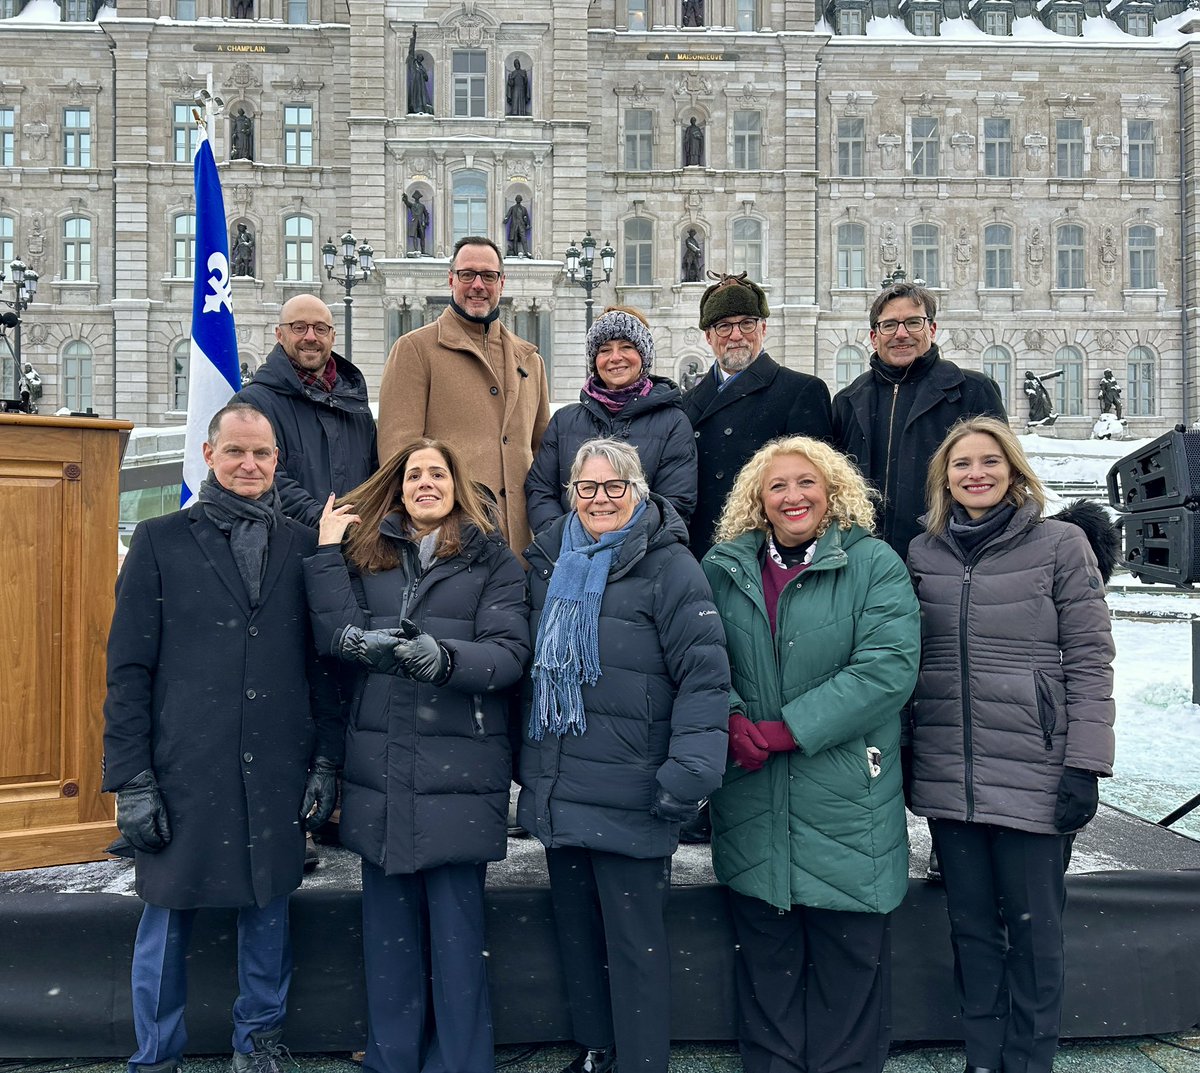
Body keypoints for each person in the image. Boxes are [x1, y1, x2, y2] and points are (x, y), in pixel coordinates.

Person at [102, 403, 342, 1073]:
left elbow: (324, 668)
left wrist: (327, 760)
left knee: (268, 911)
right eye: (235, 450)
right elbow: (128, 670)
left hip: (277, 768)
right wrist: (132, 778)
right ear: (209, 455)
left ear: (277, 461)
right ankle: (155, 1055)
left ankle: (258, 1044)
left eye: (261, 453)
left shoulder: (304, 546)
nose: (249, 464)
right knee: (167, 915)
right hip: (183, 770)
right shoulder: (158, 540)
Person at [303, 437, 530, 1073]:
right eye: (412, 475)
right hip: (379, 768)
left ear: (457, 486)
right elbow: (334, 633)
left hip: (460, 770)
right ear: (397, 489)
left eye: (437, 473)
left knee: (458, 940)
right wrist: (326, 552)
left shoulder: (493, 561)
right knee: (389, 941)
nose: (424, 483)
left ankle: (461, 1062)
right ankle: (392, 1058)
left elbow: (510, 654)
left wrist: (447, 660)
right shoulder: (366, 555)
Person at [702, 436, 920, 1073]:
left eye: (806, 483)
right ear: (758, 499)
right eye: (777, 485)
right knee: (766, 979)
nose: (792, 496)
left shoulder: (873, 563)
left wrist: (787, 731)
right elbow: (700, 658)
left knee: (847, 979)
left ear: (832, 492)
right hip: (753, 801)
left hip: (847, 800)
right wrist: (730, 715)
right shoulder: (723, 567)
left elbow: (887, 670)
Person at [906, 417, 1117, 1073]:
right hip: (952, 772)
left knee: (1034, 936)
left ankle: (1027, 1061)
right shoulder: (923, 553)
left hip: (1036, 769)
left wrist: (1085, 762)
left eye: (990, 461)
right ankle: (983, 1058)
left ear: (1014, 470)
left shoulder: (1061, 544)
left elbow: (1090, 658)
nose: (977, 474)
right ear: (945, 479)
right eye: (962, 464)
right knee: (971, 931)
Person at [517, 438, 729, 1073]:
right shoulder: (547, 560)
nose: (600, 500)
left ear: (639, 492)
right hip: (561, 782)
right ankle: (596, 1051)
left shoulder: (671, 567)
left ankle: (640, 1061)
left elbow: (705, 677)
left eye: (615, 487)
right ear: (571, 494)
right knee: (579, 937)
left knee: (636, 947)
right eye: (587, 488)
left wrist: (689, 772)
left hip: (635, 785)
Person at [379, 236, 551, 555]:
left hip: (521, 545)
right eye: (467, 274)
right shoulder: (415, 350)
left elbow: (541, 452)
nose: (478, 285)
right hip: (451, 544)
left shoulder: (531, 361)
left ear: (502, 282)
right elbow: (398, 455)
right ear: (451, 280)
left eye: (488, 276)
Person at [832, 281, 1006, 560]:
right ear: (874, 337)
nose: (901, 334)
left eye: (913, 322)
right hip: (866, 561)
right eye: (889, 325)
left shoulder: (972, 391)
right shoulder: (848, 401)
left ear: (932, 329)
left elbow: (1001, 477)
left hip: (949, 557)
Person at [683, 271, 833, 559]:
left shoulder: (801, 391)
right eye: (724, 326)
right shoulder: (688, 402)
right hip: (702, 552)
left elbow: (814, 487)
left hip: (767, 554)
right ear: (709, 337)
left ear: (763, 328)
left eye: (747, 323)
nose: (736, 335)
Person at [525, 306, 696, 536]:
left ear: (644, 356)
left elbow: (674, 503)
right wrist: (566, 539)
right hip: (569, 551)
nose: (615, 358)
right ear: (594, 360)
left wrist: (621, 547)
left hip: (642, 552)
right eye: (605, 350)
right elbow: (541, 490)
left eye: (626, 347)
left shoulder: (673, 422)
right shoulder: (563, 421)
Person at [234, 293, 378, 529]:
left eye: (320, 329)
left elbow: (375, 476)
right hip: (287, 543)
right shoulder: (252, 404)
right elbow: (262, 478)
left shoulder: (355, 406)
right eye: (299, 327)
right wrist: (327, 523)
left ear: (332, 337)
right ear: (280, 335)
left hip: (356, 542)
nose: (310, 337)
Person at [406, 25, 433, 115]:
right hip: (415, 84)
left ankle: (422, 108)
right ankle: (415, 108)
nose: (420, 59)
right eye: (419, 57)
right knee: (416, 96)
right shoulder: (413, 63)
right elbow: (411, 51)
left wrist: (423, 73)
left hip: (421, 85)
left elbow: (426, 78)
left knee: (422, 97)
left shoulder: (422, 67)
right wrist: (413, 38)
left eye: (421, 58)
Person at [402, 191, 430, 255]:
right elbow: (407, 203)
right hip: (414, 222)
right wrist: (405, 198)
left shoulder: (422, 206)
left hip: (421, 223)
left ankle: (423, 251)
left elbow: (426, 214)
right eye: (415, 197)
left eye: (417, 197)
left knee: (422, 237)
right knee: (414, 236)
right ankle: (416, 250)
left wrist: (425, 221)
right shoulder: (412, 205)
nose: (416, 198)